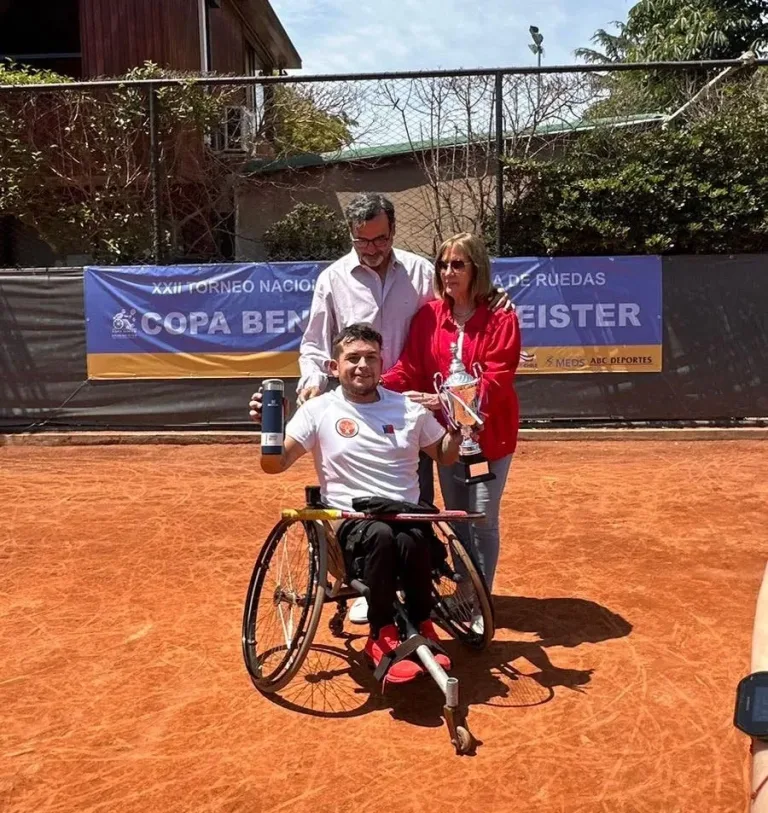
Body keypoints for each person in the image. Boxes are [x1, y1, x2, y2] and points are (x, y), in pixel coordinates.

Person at [250, 193, 513, 624]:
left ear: (393, 231)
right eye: (362, 241)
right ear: (351, 235)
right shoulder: (332, 278)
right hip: (355, 404)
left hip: (411, 407)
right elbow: (315, 345)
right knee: (358, 494)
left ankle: (417, 587)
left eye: (381, 239)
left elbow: (459, 302)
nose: (372, 248)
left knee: (416, 501)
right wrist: (315, 385)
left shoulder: (420, 271)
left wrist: (495, 297)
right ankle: (365, 583)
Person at [257, 323, 461, 684]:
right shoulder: (317, 410)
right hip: (350, 522)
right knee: (382, 535)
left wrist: (459, 429)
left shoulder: (407, 409)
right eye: (352, 358)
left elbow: (443, 456)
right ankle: (381, 635)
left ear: (382, 364)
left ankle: (423, 625)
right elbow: (274, 465)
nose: (362, 365)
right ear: (334, 367)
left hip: (405, 516)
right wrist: (268, 431)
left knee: (412, 536)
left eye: (370, 358)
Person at [380, 232, 521, 598]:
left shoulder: (501, 318)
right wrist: (372, 387)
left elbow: (496, 380)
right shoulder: (428, 316)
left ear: (477, 268)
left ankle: (481, 601)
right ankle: (464, 592)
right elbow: (409, 368)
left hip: (488, 440)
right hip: (447, 439)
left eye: (458, 264)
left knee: (483, 518)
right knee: (456, 519)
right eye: (443, 264)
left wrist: (440, 401)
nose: (448, 272)